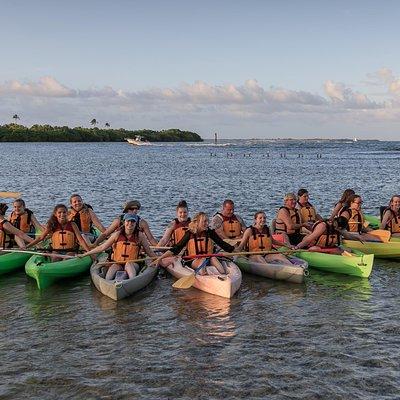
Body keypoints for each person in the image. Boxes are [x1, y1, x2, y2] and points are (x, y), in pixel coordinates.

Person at [155, 212, 235, 275]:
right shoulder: (189, 234)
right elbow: (176, 248)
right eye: (204, 221)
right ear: (197, 222)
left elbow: (222, 244)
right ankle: (203, 274)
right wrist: (160, 258)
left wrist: (234, 250)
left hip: (208, 258)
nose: (207, 223)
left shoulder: (210, 232)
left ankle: (223, 275)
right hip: (193, 259)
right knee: (203, 259)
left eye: (208, 221)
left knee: (214, 258)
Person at [80, 213, 157, 280]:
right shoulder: (117, 234)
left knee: (128, 264)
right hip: (118, 262)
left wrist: (158, 259)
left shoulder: (140, 236)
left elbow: (148, 251)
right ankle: (109, 283)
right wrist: (86, 254)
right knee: (111, 271)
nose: (130, 223)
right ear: (124, 222)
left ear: (136, 223)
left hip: (133, 263)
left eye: (133, 221)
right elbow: (102, 247)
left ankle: (131, 281)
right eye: (128, 221)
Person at [94, 200, 158, 246]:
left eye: (136, 209)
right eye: (132, 209)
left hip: (135, 248)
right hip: (119, 247)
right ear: (127, 210)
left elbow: (151, 239)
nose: (135, 211)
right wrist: (95, 244)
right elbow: (105, 234)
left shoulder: (142, 223)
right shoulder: (118, 221)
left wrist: (158, 247)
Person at [293, 216, 359, 253]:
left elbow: (348, 235)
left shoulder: (339, 228)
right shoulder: (322, 226)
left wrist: (358, 239)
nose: (341, 231)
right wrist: (298, 247)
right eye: (340, 229)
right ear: (338, 226)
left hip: (328, 248)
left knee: (349, 250)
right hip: (314, 246)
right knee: (314, 249)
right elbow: (308, 240)